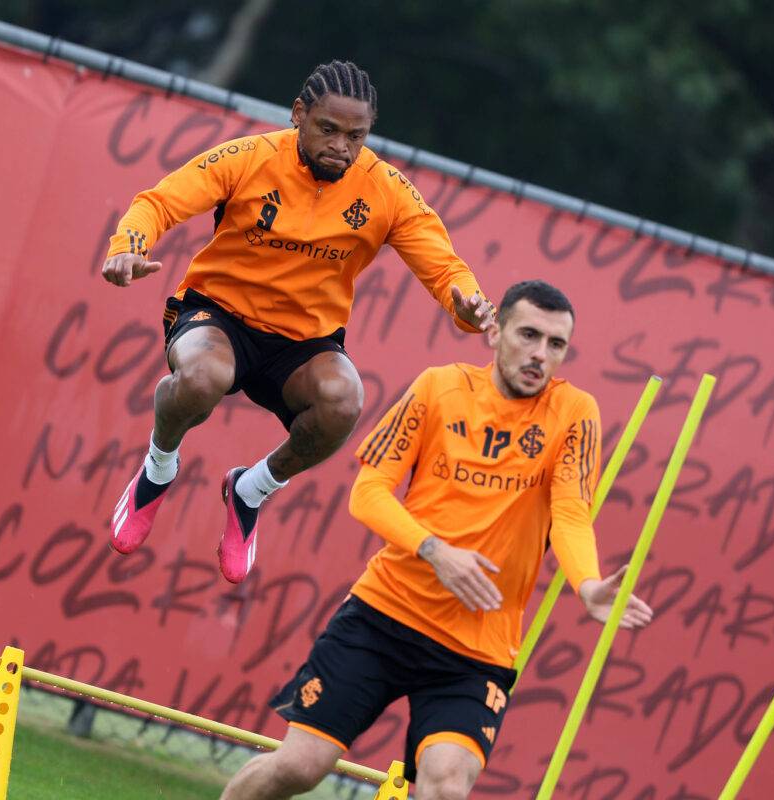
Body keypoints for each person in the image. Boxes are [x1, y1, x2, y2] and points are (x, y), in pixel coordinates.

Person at [219, 280, 655, 800]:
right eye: (529, 335)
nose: (541, 354)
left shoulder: (575, 412)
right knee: (298, 767)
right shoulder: (439, 387)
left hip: (476, 650)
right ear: (495, 333)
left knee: (445, 786)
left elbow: (570, 513)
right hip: (382, 617)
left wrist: (587, 585)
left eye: (556, 344)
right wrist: (435, 551)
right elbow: (368, 493)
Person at [103, 60, 495, 583]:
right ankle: (158, 469)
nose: (341, 147)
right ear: (298, 115)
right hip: (219, 315)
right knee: (202, 378)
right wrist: (129, 246)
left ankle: (250, 490)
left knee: (344, 401)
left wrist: (467, 305)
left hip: (303, 342)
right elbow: (158, 203)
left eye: (356, 136)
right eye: (328, 129)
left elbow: (446, 268)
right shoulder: (250, 157)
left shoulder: (386, 188)